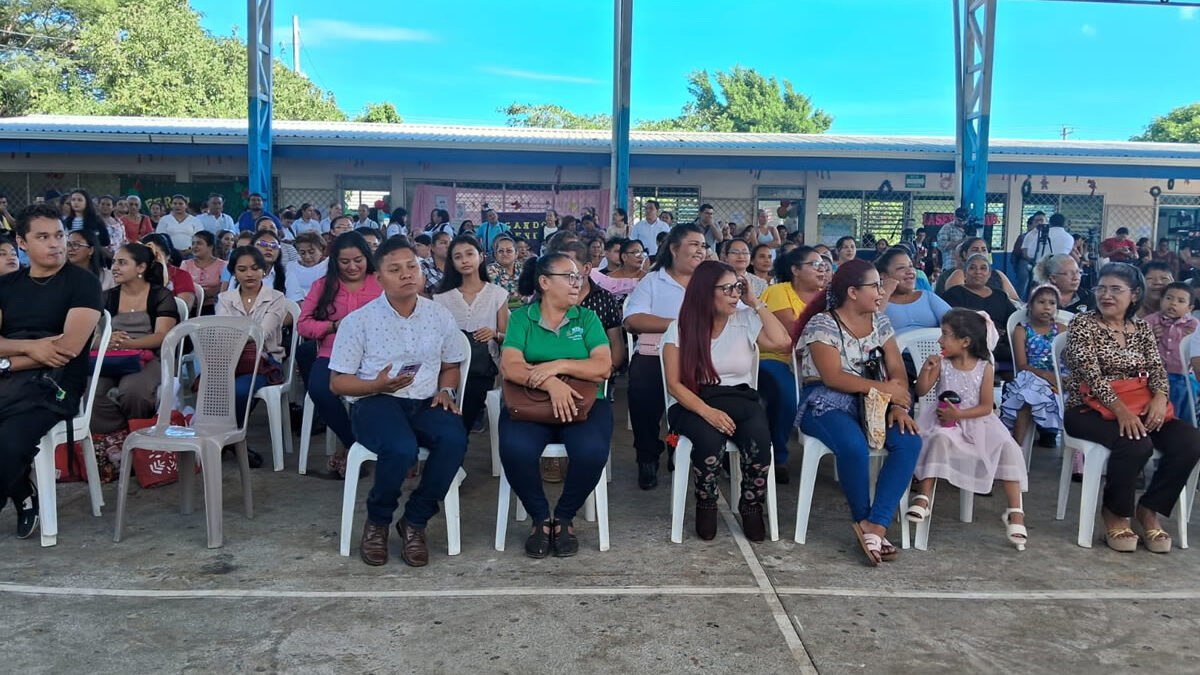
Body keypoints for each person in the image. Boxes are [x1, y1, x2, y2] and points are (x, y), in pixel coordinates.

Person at [328, 238, 468, 567]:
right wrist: (376, 384)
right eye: (395, 269)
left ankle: (415, 520)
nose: (406, 274)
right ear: (379, 278)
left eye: (412, 267)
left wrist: (446, 391)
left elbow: (450, 365)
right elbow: (337, 383)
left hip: (424, 400)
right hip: (376, 401)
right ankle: (378, 521)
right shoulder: (359, 321)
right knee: (401, 449)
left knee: (454, 439)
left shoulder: (439, 316)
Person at [1064, 263, 1200, 553]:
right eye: (1101, 288)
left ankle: (1148, 509)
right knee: (1136, 443)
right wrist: (1121, 411)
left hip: (1139, 405)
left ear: (1134, 294)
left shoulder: (1141, 327)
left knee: (1189, 441)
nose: (1106, 295)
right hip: (1087, 410)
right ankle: (1115, 513)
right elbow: (1091, 374)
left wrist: (1160, 399)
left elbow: (1156, 369)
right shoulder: (1082, 324)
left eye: (1116, 289)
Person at [792, 259, 920, 565]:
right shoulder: (823, 323)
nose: (881, 291)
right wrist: (886, 391)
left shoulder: (881, 323)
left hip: (873, 403)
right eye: (874, 286)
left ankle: (876, 524)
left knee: (909, 440)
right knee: (853, 445)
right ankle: (864, 520)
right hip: (825, 401)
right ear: (852, 292)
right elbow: (833, 377)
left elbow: (898, 374)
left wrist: (899, 405)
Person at [663, 261, 792, 541]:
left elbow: (782, 342)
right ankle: (706, 501)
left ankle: (751, 504)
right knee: (709, 442)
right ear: (706, 292)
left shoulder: (745, 319)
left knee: (759, 443)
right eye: (727, 288)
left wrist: (755, 302)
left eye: (738, 287)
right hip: (693, 402)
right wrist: (707, 412)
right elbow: (674, 385)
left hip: (740, 399)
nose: (735, 294)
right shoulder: (680, 328)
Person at [499, 253, 613, 557]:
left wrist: (558, 364)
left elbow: (603, 367)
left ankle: (564, 516)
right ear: (545, 282)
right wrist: (551, 383)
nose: (577, 283)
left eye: (579, 277)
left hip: (584, 403)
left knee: (591, 452)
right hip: (530, 404)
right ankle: (539, 517)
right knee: (516, 450)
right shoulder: (522, 318)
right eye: (569, 277)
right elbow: (511, 366)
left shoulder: (587, 318)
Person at [0, 204, 102, 539]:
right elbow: (41, 348)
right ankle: (22, 492)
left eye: (59, 235)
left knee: (10, 441)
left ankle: (15, 491)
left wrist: (9, 358)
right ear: (22, 243)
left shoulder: (82, 283)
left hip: (55, 387)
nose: (55, 243)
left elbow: (66, 349)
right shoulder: (7, 284)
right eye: (42, 236)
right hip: (10, 374)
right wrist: (30, 348)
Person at [908, 309, 1029, 549]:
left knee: (1008, 446)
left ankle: (1015, 511)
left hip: (977, 421)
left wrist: (960, 414)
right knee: (940, 438)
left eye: (945, 335)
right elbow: (921, 392)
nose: (940, 340)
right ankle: (923, 496)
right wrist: (926, 369)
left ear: (965, 342)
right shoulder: (943, 364)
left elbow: (986, 407)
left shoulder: (985, 367)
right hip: (944, 421)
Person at [623, 224, 707, 489]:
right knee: (644, 396)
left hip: (698, 355)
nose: (700, 250)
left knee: (682, 411)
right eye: (694, 244)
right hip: (653, 352)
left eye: (703, 245)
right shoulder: (653, 280)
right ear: (674, 248)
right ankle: (647, 457)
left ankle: (674, 446)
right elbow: (632, 320)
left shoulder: (710, 281)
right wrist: (681, 323)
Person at [297, 232, 382, 479]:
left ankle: (350, 449)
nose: (352, 267)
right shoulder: (323, 286)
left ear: (367, 257)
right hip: (333, 353)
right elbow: (303, 324)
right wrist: (333, 326)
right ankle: (355, 444)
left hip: (375, 355)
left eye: (358, 260)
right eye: (345, 262)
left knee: (377, 391)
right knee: (320, 388)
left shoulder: (380, 282)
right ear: (335, 261)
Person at [90, 243, 180, 434]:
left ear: (141, 267)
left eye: (122, 263)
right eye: (114, 262)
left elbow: (162, 337)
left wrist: (128, 344)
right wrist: (106, 342)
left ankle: (139, 437)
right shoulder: (106, 297)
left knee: (133, 391)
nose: (114, 267)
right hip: (110, 357)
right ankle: (114, 437)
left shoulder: (160, 295)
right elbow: (91, 336)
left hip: (149, 358)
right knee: (92, 391)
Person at [757, 246, 826, 481]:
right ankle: (778, 454)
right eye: (814, 264)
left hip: (814, 362)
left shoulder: (827, 296)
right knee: (788, 395)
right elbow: (792, 330)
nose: (822, 268)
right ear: (795, 270)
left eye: (823, 264)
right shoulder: (779, 291)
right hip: (774, 357)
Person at [433, 235, 510, 432]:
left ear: (481, 257)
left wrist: (494, 334)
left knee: (463, 413)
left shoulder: (497, 294)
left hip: (483, 366)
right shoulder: (441, 298)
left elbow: (507, 337)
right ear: (452, 262)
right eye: (458, 257)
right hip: (446, 366)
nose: (464, 260)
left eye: (469, 254)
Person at [215, 246, 288, 427]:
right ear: (233, 273)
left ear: (264, 270)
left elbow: (262, 333)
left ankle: (233, 436)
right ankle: (225, 439)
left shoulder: (276, 297)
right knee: (211, 389)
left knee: (240, 391)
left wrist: (236, 334)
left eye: (255, 268)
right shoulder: (225, 298)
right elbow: (221, 333)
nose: (249, 274)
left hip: (265, 361)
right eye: (242, 269)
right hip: (228, 359)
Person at [999, 284, 1067, 447]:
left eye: (1052, 303)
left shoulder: (1062, 329)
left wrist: (1058, 377)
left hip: (1060, 376)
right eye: (1041, 302)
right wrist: (1045, 375)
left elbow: (1068, 358)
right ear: (1030, 305)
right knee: (1027, 395)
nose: (1047, 307)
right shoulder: (1022, 331)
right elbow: (1022, 365)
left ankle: (1077, 464)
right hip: (1032, 374)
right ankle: (1016, 448)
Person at [940, 254, 1017, 365]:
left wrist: (997, 333)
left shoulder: (1000, 296)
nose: (978, 272)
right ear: (965, 274)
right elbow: (950, 323)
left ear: (989, 274)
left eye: (983, 268)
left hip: (999, 345)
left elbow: (1013, 321)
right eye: (972, 268)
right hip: (968, 345)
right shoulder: (954, 294)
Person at [1144, 282, 1199, 426]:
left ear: (1190, 308)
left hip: (1184, 374)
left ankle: (1185, 426)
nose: (1173, 304)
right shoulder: (1150, 321)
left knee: (1186, 393)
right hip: (1157, 374)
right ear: (1161, 300)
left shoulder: (1193, 325)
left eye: (1181, 301)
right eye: (1169, 298)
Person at [877, 248, 951, 334]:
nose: (910, 271)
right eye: (901, 268)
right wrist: (886, 293)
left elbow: (955, 323)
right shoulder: (876, 301)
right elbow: (870, 328)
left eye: (911, 266)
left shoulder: (927, 296)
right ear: (884, 276)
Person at [938, 236, 1020, 301]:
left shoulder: (998, 274)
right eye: (975, 250)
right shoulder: (958, 274)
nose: (980, 253)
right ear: (965, 254)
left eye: (984, 250)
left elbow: (1015, 300)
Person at [139, 233, 197, 313]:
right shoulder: (135, 275)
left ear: (168, 256)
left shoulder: (181, 276)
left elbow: (182, 311)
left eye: (156, 255)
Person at [181, 231, 225, 315]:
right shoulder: (186, 264)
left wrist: (204, 294)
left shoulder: (222, 265)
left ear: (210, 246)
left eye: (199, 243)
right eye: (193, 243)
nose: (195, 246)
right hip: (190, 306)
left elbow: (224, 286)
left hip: (214, 306)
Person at [284, 231, 328, 302]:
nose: (307, 257)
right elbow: (292, 295)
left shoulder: (330, 265)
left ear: (321, 250)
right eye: (302, 253)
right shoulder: (291, 267)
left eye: (311, 252)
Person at [486, 236, 522, 306]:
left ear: (516, 254)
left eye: (509, 251)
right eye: (501, 251)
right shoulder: (490, 270)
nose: (505, 254)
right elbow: (497, 297)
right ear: (496, 255)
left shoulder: (523, 268)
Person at [1010, 214, 1040, 296]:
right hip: (1024, 262)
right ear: (1029, 225)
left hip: (1035, 263)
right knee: (1023, 285)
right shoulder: (1023, 237)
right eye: (1036, 222)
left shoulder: (1041, 238)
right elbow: (1016, 253)